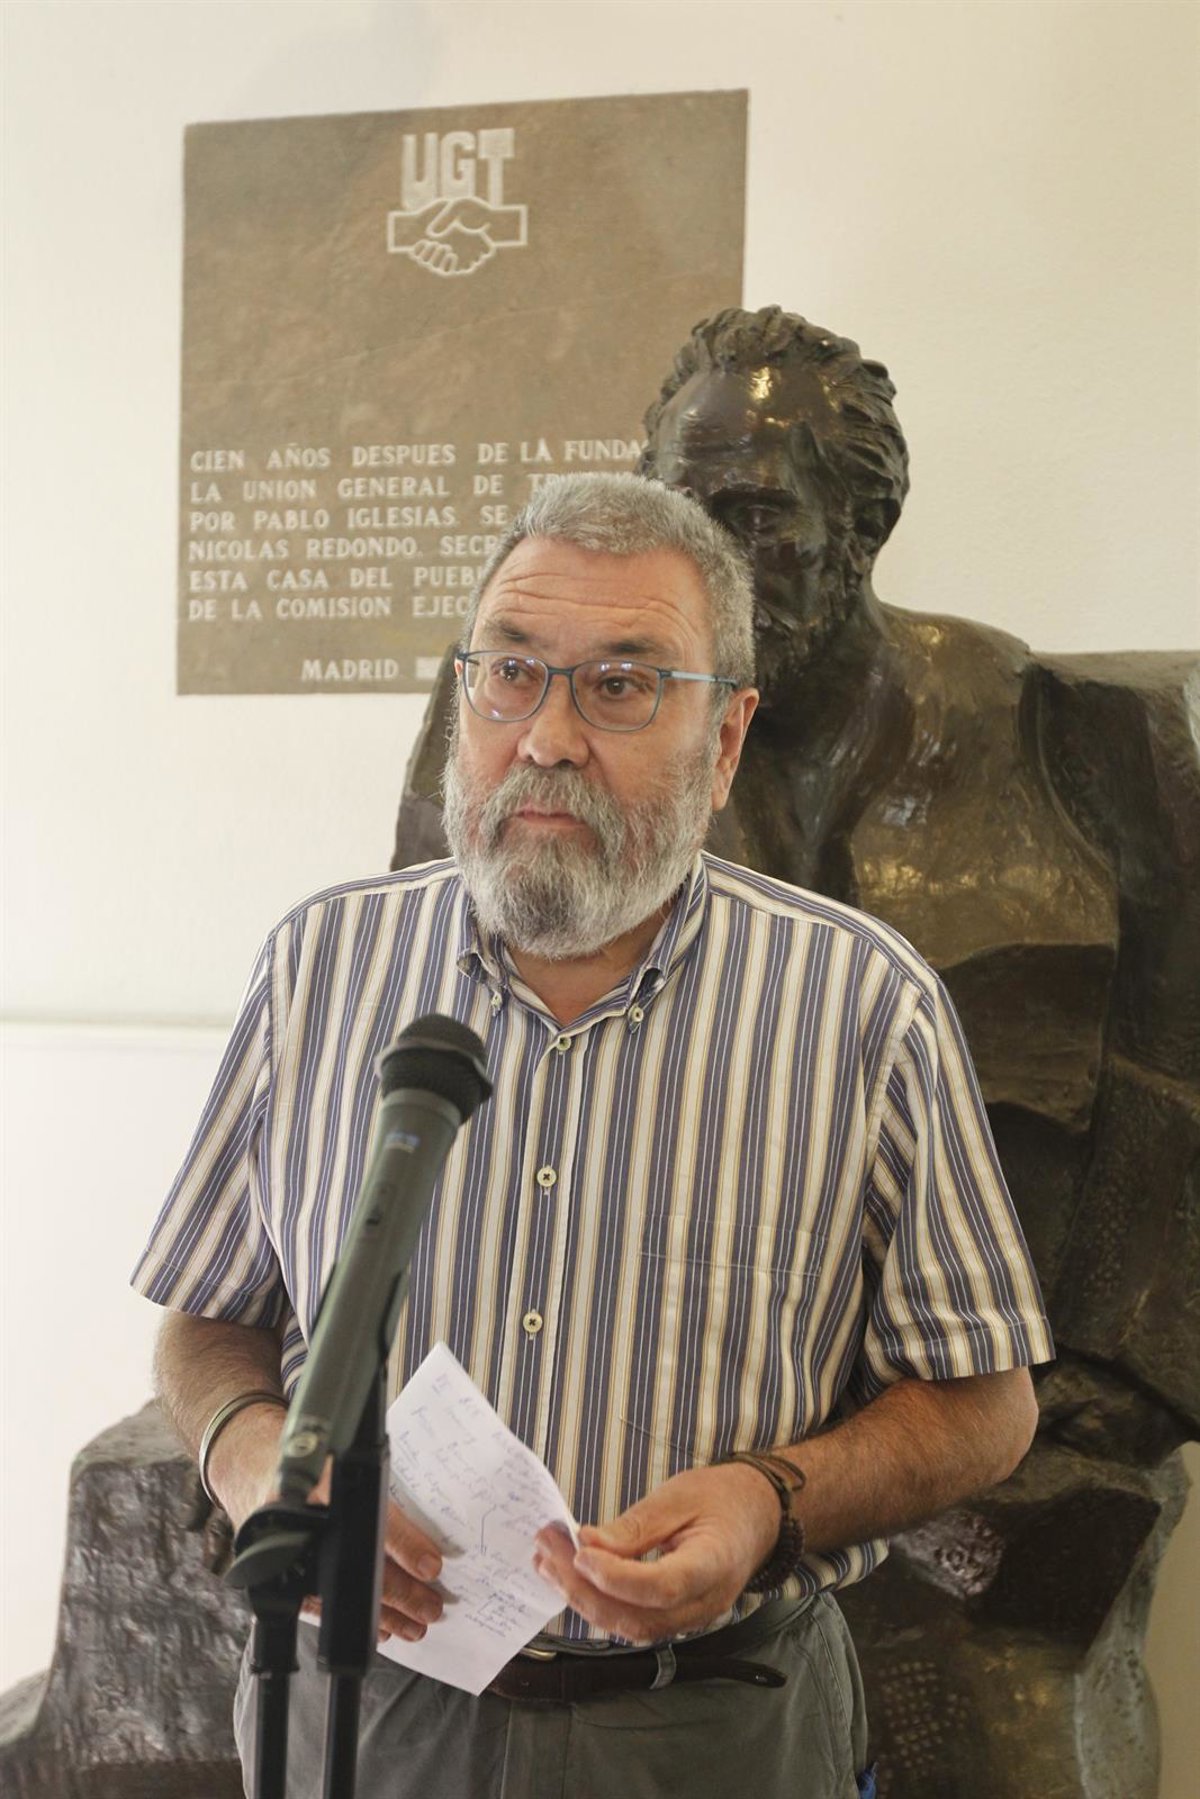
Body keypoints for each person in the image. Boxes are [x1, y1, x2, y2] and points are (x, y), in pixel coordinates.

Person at [135, 471, 1052, 1799]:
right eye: (512, 674)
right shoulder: (321, 967)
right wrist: (254, 1462)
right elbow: (208, 1319)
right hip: (368, 1713)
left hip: (715, 1728)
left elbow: (985, 1401)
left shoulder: (861, 1005)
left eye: (620, 685)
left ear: (725, 737)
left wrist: (770, 1500)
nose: (548, 738)